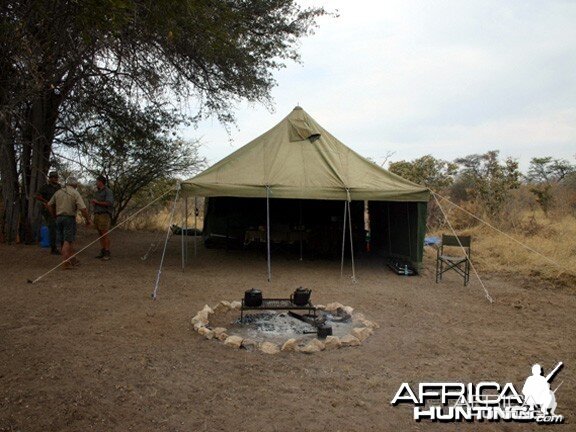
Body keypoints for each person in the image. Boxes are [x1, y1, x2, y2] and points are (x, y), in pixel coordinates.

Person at [47, 176, 91, 270]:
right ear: (75, 184)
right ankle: (65, 262)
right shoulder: (75, 193)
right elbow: (83, 208)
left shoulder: (58, 192)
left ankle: (72, 259)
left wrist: (54, 215)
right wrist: (88, 220)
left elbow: (49, 205)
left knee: (67, 240)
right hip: (69, 218)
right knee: (67, 240)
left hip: (59, 218)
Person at [35, 171, 61, 254]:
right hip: (48, 210)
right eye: (54, 177)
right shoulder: (45, 187)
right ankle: (53, 248)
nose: (56, 179)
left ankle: (63, 246)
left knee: (60, 227)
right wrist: (46, 202)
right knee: (52, 227)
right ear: (50, 179)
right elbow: (37, 196)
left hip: (58, 209)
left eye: (56, 177)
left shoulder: (59, 187)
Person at [91, 175, 114, 261]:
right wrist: (95, 203)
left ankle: (107, 252)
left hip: (104, 214)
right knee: (100, 234)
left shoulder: (108, 191)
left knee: (105, 234)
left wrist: (98, 202)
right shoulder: (97, 192)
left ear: (101, 182)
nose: (96, 183)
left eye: (97, 181)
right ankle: (103, 250)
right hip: (97, 214)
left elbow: (109, 203)